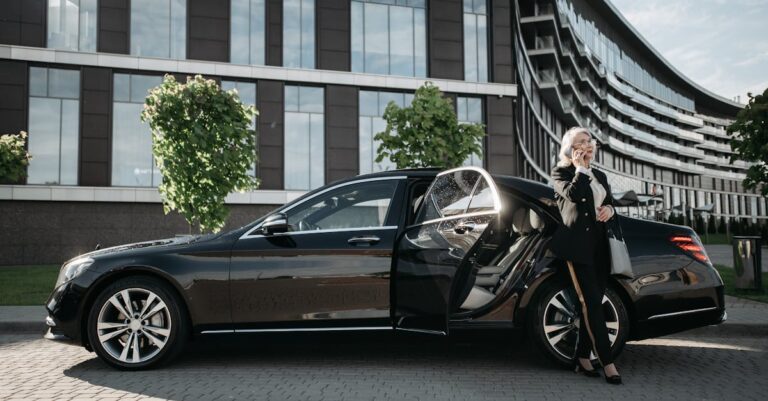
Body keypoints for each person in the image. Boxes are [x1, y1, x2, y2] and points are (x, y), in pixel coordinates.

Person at [547, 126, 623, 385]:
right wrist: (580, 169)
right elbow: (573, 195)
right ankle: (608, 362)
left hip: (601, 246)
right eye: (581, 142)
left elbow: (611, 202)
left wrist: (610, 210)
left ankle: (581, 357)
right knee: (591, 303)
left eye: (589, 141)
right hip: (577, 249)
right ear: (570, 148)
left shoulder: (599, 174)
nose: (588, 145)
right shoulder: (561, 172)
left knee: (594, 303)